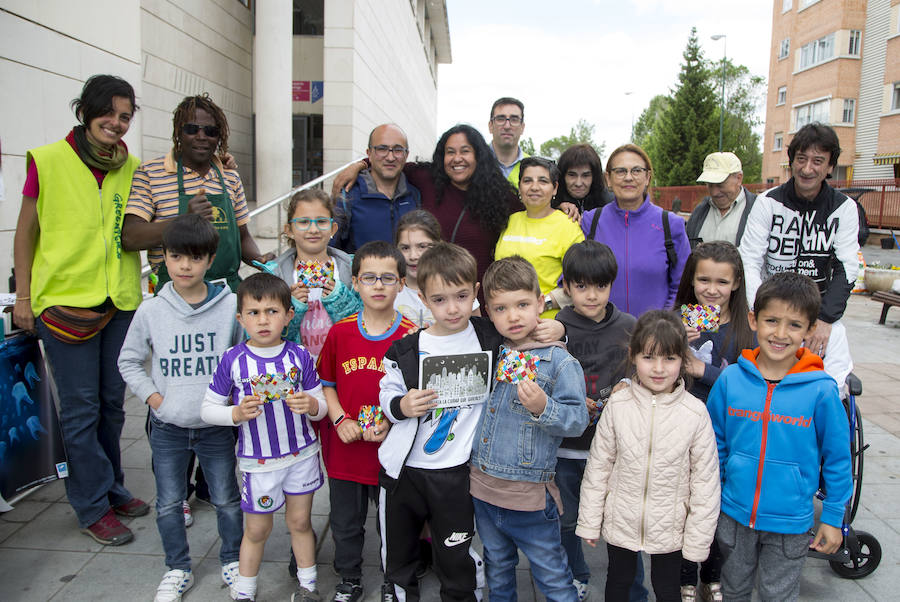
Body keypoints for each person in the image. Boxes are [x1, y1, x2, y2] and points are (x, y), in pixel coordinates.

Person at [377, 243, 565, 601]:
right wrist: (402, 405)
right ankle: (399, 592)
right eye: (440, 299)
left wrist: (558, 328)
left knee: (456, 553)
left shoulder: (490, 337)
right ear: (422, 298)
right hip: (403, 472)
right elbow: (386, 394)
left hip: (459, 473)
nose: (452, 308)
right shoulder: (406, 349)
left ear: (475, 292)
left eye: (461, 296)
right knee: (398, 554)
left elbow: (530, 332)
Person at [13, 74, 149, 545]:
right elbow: (25, 231)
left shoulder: (129, 164)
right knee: (80, 410)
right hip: (64, 303)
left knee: (112, 406)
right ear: (85, 111)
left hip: (119, 300)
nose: (116, 123)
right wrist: (25, 297)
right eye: (108, 113)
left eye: (125, 116)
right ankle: (90, 505)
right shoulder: (47, 160)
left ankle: (110, 487)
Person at [117, 214, 243, 602]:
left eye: (194, 257)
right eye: (175, 256)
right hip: (169, 426)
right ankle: (178, 568)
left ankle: (233, 560)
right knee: (170, 503)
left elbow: (243, 356)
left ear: (209, 259)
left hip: (216, 425)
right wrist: (156, 398)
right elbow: (128, 361)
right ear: (163, 258)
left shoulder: (231, 307)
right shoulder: (151, 310)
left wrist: (234, 404)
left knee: (225, 498)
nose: (184, 265)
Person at [706, 272, 852, 601]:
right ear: (753, 320)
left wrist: (832, 517)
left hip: (790, 521)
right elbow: (714, 442)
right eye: (772, 320)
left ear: (811, 330)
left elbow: (839, 458)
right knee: (734, 589)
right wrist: (714, 492)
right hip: (734, 514)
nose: (781, 334)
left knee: (778, 595)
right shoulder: (731, 380)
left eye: (794, 325)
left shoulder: (822, 390)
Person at [577, 311, 720, 602]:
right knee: (618, 581)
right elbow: (599, 467)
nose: (658, 368)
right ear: (633, 356)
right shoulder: (618, 404)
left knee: (668, 589)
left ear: (683, 360)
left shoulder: (695, 413)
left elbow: (705, 484)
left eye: (669, 358)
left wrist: (696, 542)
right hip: (622, 518)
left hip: (671, 524)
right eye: (648, 357)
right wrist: (590, 522)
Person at [201, 274, 328, 602]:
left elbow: (321, 406)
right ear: (240, 319)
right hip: (258, 462)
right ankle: (244, 590)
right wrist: (235, 414)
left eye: (272, 311)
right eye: (254, 313)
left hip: (300, 455)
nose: (263, 320)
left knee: (300, 522)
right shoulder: (233, 360)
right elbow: (207, 410)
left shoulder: (299, 356)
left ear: (288, 317)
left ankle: (308, 586)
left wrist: (311, 404)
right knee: (257, 529)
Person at [471, 256, 588, 601]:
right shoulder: (490, 353)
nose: (513, 316)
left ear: (540, 304)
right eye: (501, 308)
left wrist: (544, 408)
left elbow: (578, 419)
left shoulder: (559, 362)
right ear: (489, 313)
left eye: (522, 304)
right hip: (483, 488)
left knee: (552, 575)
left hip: (530, 497)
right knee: (498, 569)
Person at [316, 241, 418, 602]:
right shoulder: (340, 333)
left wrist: (392, 422)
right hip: (345, 449)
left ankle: (395, 579)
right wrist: (340, 417)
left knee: (393, 523)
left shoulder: (410, 336)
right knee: (345, 522)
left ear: (402, 283)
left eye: (388, 278)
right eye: (369, 277)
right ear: (355, 282)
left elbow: (414, 394)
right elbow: (326, 384)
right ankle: (349, 577)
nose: (378, 285)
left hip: (389, 451)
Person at [333, 124, 518, 298]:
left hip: (478, 298)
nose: (457, 158)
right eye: (450, 152)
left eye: (465, 151)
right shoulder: (427, 180)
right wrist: (360, 165)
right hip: (428, 298)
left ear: (479, 156)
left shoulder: (501, 196)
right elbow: (390, 163)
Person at [738, 122, 859, 387]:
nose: (807, 168)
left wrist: (827, 319)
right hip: (769, 307)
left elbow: (847, 267)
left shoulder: (844, 208)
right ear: (791, 161)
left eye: (818, 161)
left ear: (830, 167)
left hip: (818, 313)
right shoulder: (768, 202)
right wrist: (762, 312)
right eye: (801, 159)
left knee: (830, 381)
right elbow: (749, 259)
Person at [671, 241, 755, 600]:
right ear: (692, 280)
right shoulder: (676, 320)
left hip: (727, 434)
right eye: (703, 279)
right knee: (684, 507)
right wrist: (673, 346)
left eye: (722, 282)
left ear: (736, 283)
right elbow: (651, 371)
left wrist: (702, 368)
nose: (711, 289)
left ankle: (713, 576)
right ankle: (686, 578)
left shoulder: (746, 328)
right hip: (682, 431)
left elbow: (751, 385)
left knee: (717, 509)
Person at [554, 241, 637, 601]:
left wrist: (628, 385)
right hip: (567, 449)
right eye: (582, 286)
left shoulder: (630, 327)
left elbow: (645, 372)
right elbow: (543, 377)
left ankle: (634, 589)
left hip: (614, 448)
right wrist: (570, 401)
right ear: (567, 287)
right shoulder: (556, 327)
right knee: (567, 519)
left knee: (623, 524)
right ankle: (576, 573)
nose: (591, 295)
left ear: (611, 285)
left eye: (600, 286)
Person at [123, 93, 272, 292]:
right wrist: (184, 220)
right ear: (178, 132)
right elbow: (130, 237)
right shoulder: (150, 174)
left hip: (227, 293)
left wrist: (259, 260)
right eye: (192, 129)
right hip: (174, 295)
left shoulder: (230, 177)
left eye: (210, 131)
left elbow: (242, 236)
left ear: (219, 137)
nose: (201, 137)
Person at [580, 144, 691, 318]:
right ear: (608, 179)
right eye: (620, 171)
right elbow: (572, 279)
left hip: (656, 336)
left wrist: (663, 323)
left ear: (647, 177)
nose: (629, 178)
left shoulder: (672, 225)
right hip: (600, 336)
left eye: (636, 171)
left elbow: (684, 286)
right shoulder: (590, 221)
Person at [271, 189, 360, 359]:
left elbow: (363, 324)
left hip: (341, 365)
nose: (313, 229)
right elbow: (269, 334)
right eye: (304, 222)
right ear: (289, 230)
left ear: (333, 228)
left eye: (321, 221)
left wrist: (341, 300)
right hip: (295, 369)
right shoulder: (277, 274)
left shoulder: (350, 269)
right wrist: (293, 307)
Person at [494, 157, 585, 318]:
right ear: (520, 186)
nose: (534, 187)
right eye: (527, 181)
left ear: (555, 188)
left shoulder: (568, 226)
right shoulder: (509, 221)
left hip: (547, 326)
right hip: (507, 324)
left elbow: (582, 283)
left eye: (543, 181)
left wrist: (541, 305)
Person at [333, 124, 421, 253]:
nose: (390, 157)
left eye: (397, 150)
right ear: (369, 153)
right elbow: (327, 248)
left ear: (406, 155)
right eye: (382, 149)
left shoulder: (414, 195)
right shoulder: (348, 195)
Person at [393, 209, 480, 328]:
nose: (413, 256)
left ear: (438, 245)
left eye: (422, 246)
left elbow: (477, 329)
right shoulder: (391, 289)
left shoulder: (457, 284)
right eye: (405, 248)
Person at [687, 152, 757, 247]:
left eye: (720, 184)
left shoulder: (757, 209)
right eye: (710, 185)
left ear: (739, 179)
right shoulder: (700, 211)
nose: (714, 192)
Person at [554, 144, 610, 220]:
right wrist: (557, 209)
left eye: (585, 175)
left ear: (594, 177)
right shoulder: (548, 202)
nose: (578, 183)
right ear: (562, 176)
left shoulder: (609, 203)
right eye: (572, 175)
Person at [488, 97, 529, 187]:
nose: (507, 126)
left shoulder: (532, 166)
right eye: (500, 119)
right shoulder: (474, 161)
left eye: (514, 119)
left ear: (522, 127)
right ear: (490, 126)